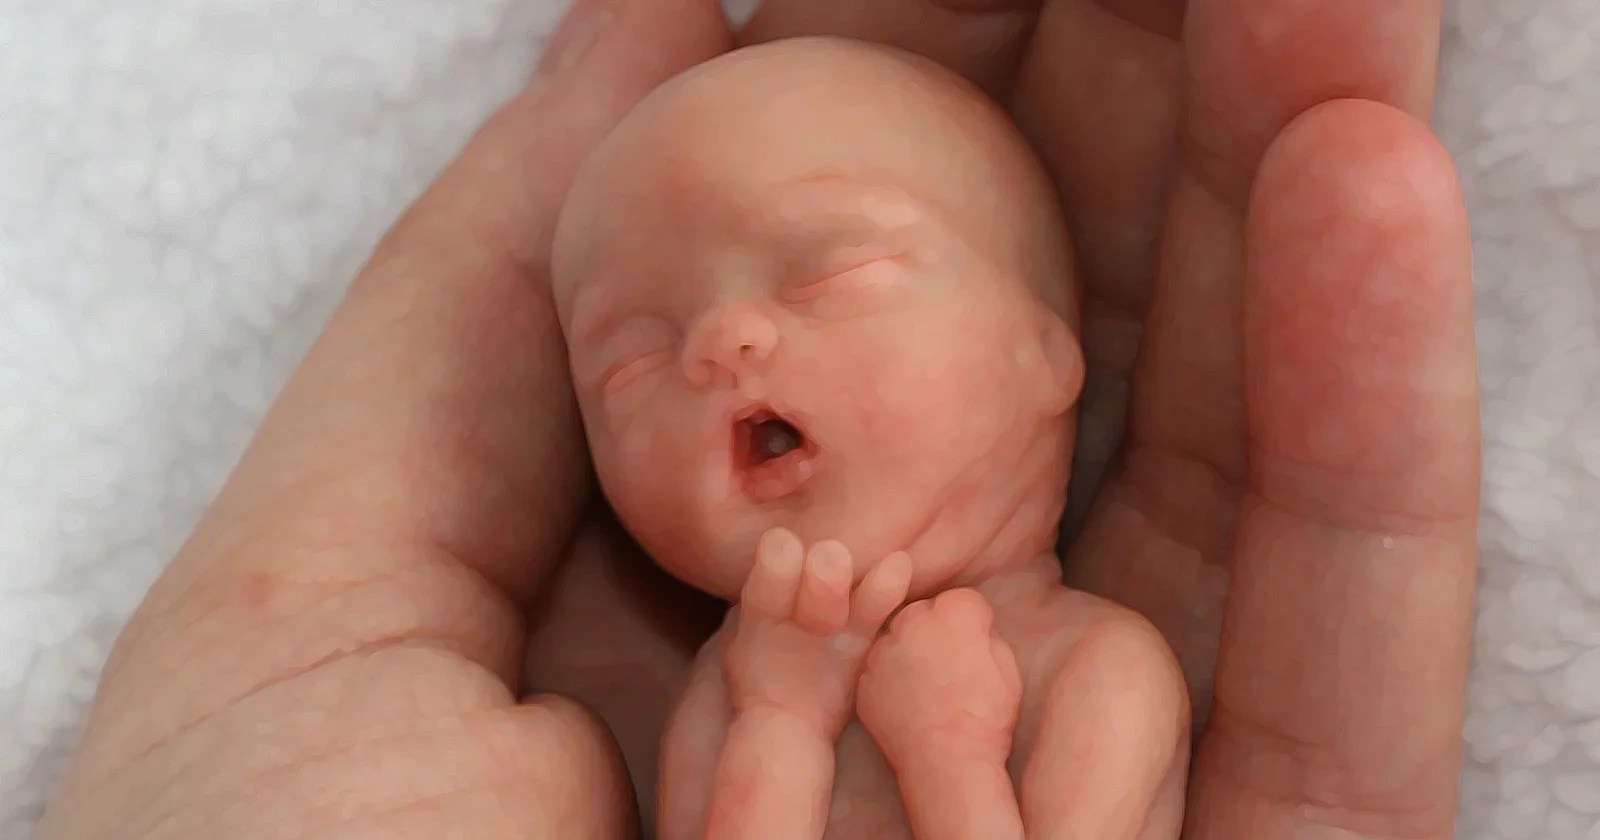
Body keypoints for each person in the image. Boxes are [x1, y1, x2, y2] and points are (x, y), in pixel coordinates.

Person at [38, 0, 1479, 838]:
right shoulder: (737, 686)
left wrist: (949, 751)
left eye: (830, 274)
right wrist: (784, 717)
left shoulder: (1103, 670)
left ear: (1049, 356)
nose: (722, 341)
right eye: (628, 363)